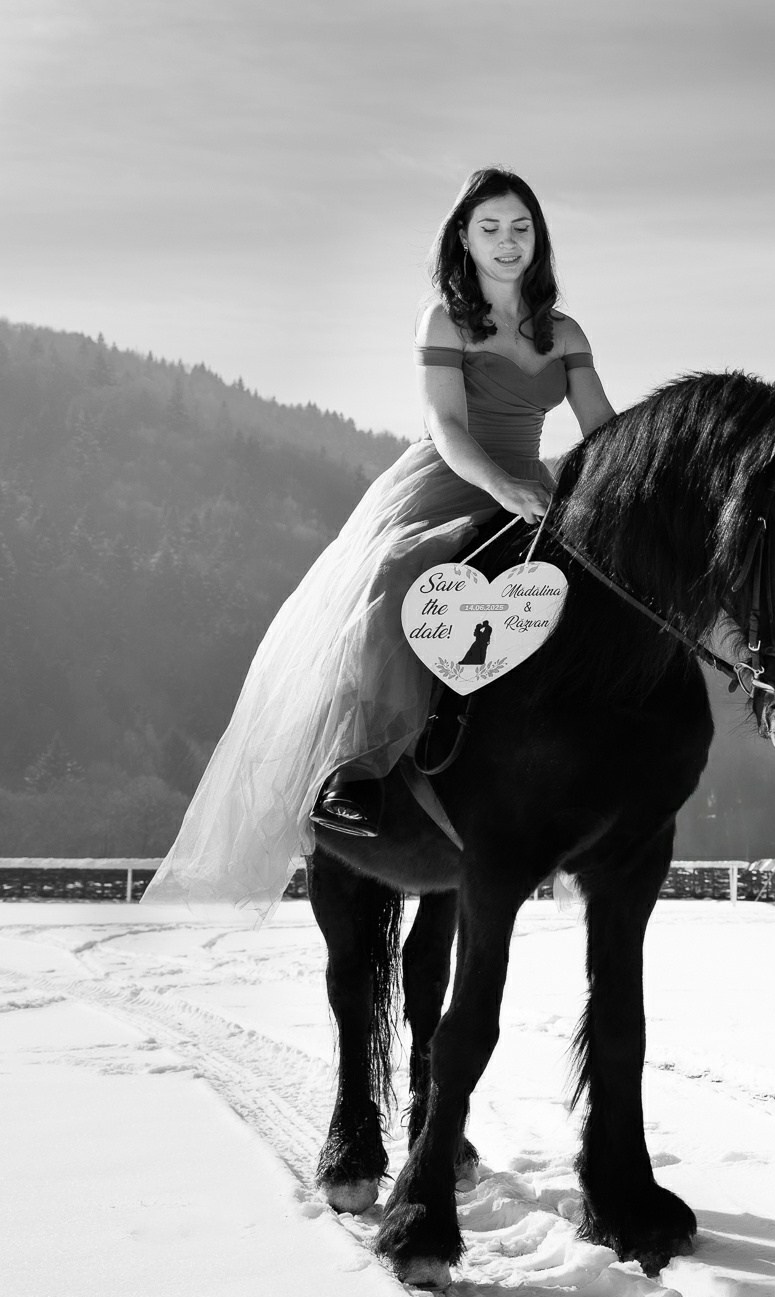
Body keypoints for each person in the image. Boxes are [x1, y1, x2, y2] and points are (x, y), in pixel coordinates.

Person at [146, 168, 618, 912]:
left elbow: (605, 432)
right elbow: (448, 427)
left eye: (520, 226)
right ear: (463, 236)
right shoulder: (445, 320)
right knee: (400, 572)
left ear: (539, 237)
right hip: (453, 480)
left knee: (594, 593)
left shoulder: (564, 332)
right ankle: (354, 775)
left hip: (533, 487)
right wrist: (505, 488)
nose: (506, 241)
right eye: (489, 227)